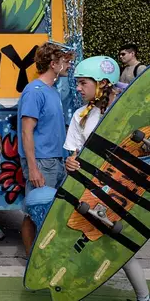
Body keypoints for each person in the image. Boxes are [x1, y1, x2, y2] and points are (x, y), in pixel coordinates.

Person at [64, 56, 150, 301]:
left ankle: (144, 297)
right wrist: (70, 163)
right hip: (93, 190)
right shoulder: (80, 116)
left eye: (82, 83)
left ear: (102, 83)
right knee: (82, 240)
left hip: (125, 188)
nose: (78, 88)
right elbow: (74, 155)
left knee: (120, 246)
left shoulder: (131, 113)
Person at [18, 42, 75, 256]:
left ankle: (43, 257)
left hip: (55, 161)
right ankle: (32, 260)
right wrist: (33, 169)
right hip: (42, 162)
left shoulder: (51, 91)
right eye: (66, 61)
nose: (69, 65)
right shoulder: (34, 91)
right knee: (35, 212)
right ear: (53, 64)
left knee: (50, 212)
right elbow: (26, 131)